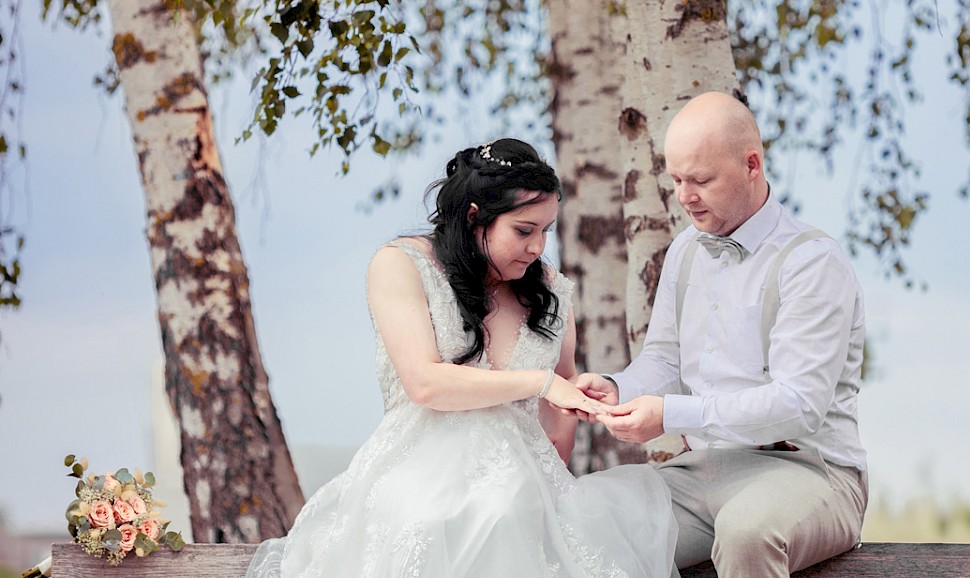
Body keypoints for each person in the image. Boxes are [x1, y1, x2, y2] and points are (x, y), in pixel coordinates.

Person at [246, 138, 678, 577]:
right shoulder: (402, 264)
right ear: (476, 217)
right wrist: (538, 381)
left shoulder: (548, 286)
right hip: (419, 473)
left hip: (526, 482)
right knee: (475, 518)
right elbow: (425, 383)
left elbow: (560, 392)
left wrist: (558, 454)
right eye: (524, 230)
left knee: (520, 513)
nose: (536, 247)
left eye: (546, 230)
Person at [574, 92, 869, 576]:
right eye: (676, 179)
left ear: (752, 164)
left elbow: (799, 404)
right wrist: (618, 387)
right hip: (701, 473)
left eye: (702, 180)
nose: (685, 196)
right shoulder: (685, 250)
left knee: (748, 531)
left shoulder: (812, 262)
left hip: (814, 473)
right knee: (587, 514)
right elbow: (665, 362)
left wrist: (671, 415)